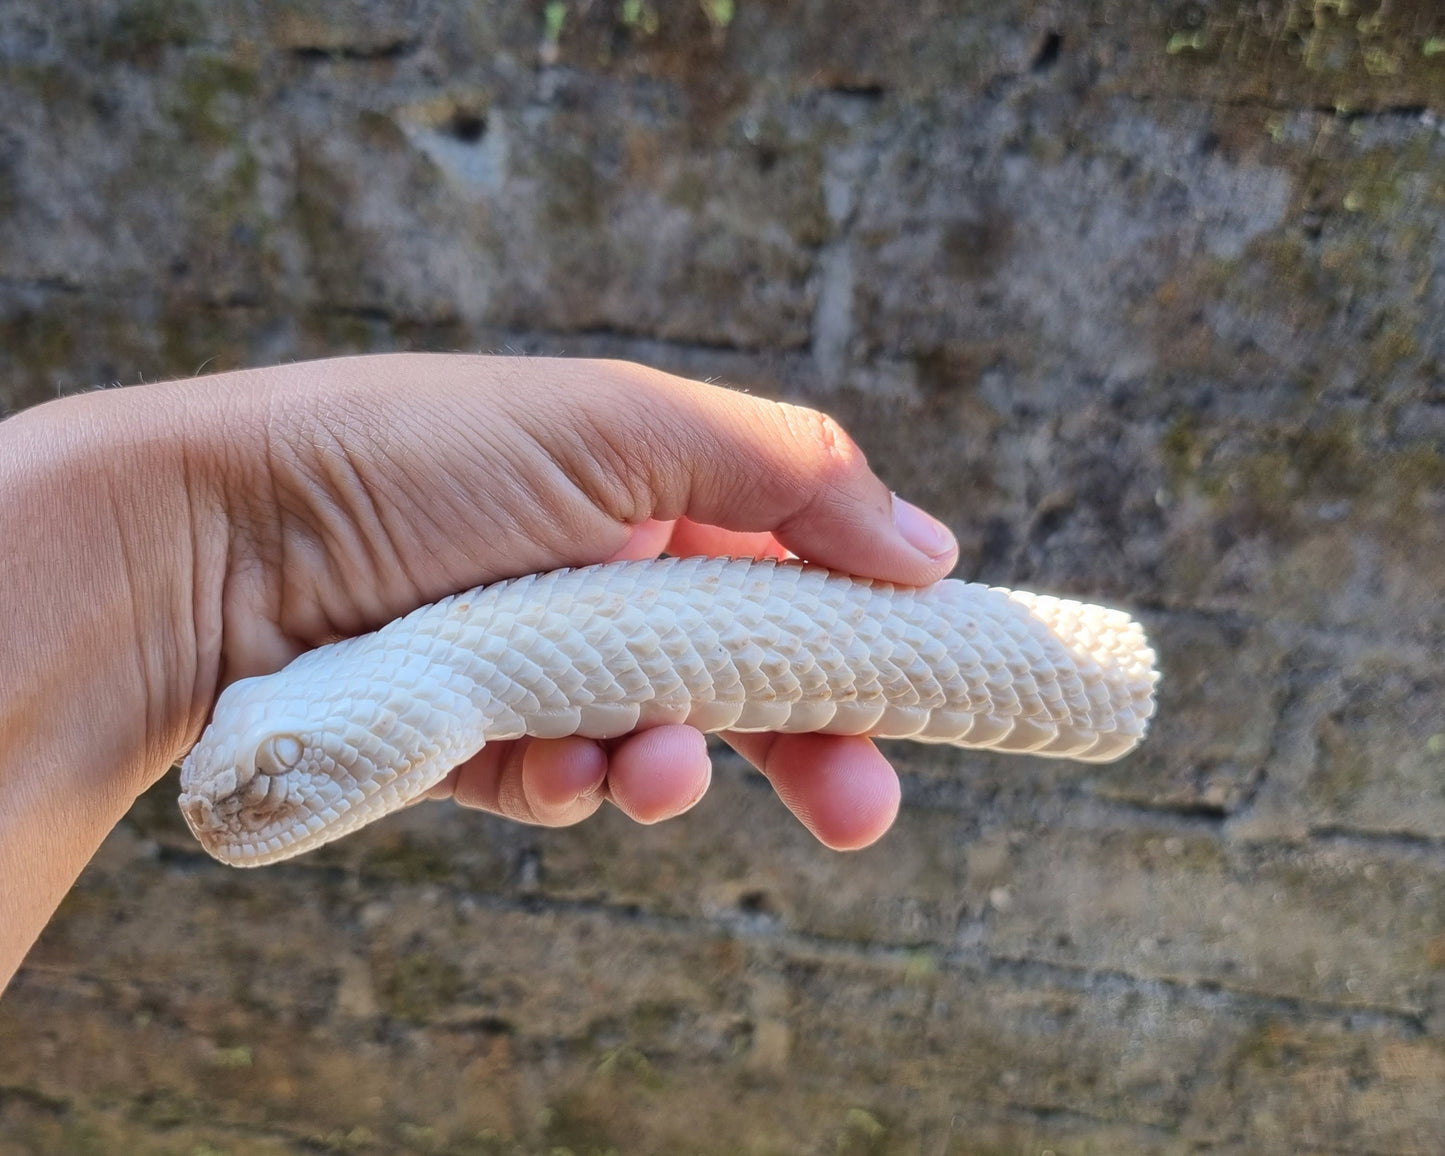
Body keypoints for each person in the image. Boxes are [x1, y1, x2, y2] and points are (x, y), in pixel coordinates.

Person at [0, 354, 958, 990]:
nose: (213, 809)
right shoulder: (417, 674)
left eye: (280, 751)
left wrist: (221, 535)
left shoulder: (425, 660)